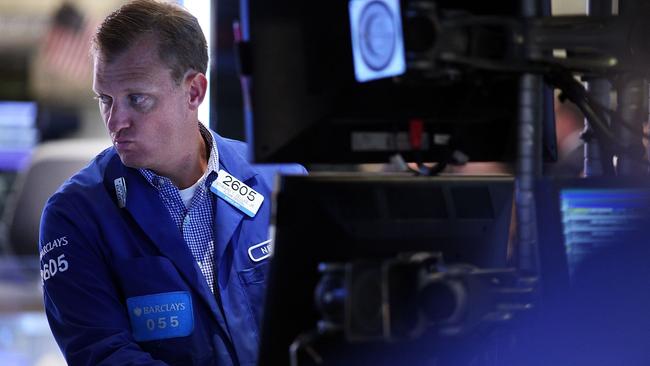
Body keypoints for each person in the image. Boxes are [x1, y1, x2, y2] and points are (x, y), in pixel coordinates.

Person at [38, 1, 305, 365]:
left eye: (137, 99)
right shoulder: (75, 215)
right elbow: (104, 355)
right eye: (106, 99)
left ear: (194, 92)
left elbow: (320, 321)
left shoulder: (280, 181)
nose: (116, 121)